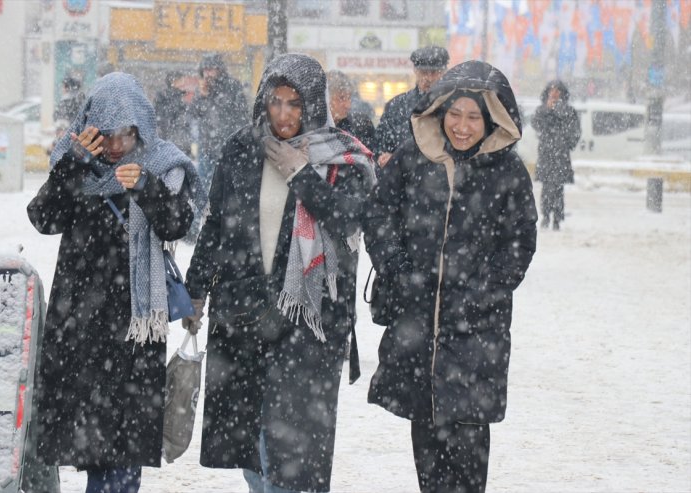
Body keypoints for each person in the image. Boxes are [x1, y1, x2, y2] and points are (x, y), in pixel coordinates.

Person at [183, 53, 375, 493]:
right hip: (244, 310)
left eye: (294, 103)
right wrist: (195, 293)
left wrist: (302, 175)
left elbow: (348, 220)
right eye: (275, 102)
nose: (284, 114)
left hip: (310, 321)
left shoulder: (341, 158)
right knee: (253, 437)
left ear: (311, 104)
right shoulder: (241, 148)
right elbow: (214, 225)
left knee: (297, 447)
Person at [364, 60, 538, 493]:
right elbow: (379, 216)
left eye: (474, 116)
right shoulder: (412, 158)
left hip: (476, 328)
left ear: (491, 119)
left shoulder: (507, 173)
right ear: (440, 112)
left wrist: (487, 289)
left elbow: (520, 240)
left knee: (468, 438)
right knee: (427, 435)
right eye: (455, 114)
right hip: (418, 323)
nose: (462, 126)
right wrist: (400, 272)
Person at [27, 72, 201, 493]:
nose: (116, 145)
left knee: (123, 454)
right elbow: (43, 219)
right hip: (80, 325)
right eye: (105, 135)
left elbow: (178, 224)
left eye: (125, 134)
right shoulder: (76, 166)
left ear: (141, 127)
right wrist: (74, 164)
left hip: (135, 329)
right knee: (91, 448)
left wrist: (147, 186)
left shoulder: (161, 163)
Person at [374, 45, 449, 169]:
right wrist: (384, 157)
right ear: (415, 71)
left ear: (444, 72)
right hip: (404, 179)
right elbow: (379, 145)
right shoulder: (396, 106)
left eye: (434, 73)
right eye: (424, 72)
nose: (428, 78)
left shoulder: (454, 106)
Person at [188, 53, 249, 197]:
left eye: (211, 69)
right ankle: (204, 217)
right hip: (207, 147)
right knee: (204, 187)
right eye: (205, 70)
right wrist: (202, 96)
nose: (208, 73)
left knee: (226, 189)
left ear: (219, 69)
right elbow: (194, 114)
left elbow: (239, 114)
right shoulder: (202, 90)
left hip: (227, 147)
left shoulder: (232, 86)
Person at [532, 80, 581, 230]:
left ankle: (557, 218)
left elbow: (574, 130)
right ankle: (546, 216)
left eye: (557, 90)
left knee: (558, 188)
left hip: (560, 155)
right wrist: (547, 109)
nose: (554, 93)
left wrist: (565, 143)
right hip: (546, 154)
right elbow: (536, 124)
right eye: (552, 90)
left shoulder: (569, 111)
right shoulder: (542, 109)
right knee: (546, 187)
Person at [327, 70, 376, 152]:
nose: (348, 105)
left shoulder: (362, 126)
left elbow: (372, 158)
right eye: (341, 98)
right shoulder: (311, 130)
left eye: (349, 98)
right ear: (326, 99)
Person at [154, 71, 192, 156]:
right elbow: (165, 122)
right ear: (173, 82)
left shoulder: (178, 98)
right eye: (182, 81)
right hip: (174, 144)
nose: (184, 83)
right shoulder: (167, 99)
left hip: (177, 144)